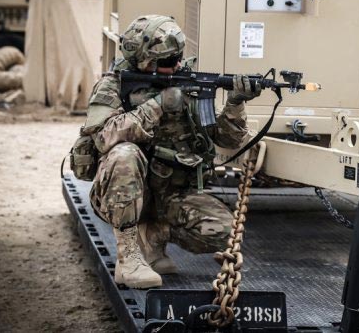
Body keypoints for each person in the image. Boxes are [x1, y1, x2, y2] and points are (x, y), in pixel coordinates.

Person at [81, 15, 260, 288]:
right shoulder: (114, 85)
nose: (177, 65)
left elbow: (228, 139)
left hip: (171, 194)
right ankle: (129, 259)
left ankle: (153, 236)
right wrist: (158, 105)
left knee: (224, 231)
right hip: (122, 194)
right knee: (124, 153)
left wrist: (236, 102)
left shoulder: (185, 83)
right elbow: (105, 137)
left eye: (178, 57)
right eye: (167, 62)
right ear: (144, 62)